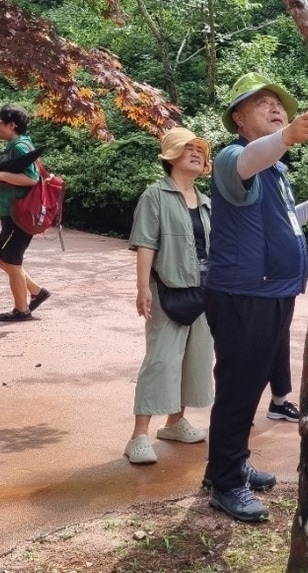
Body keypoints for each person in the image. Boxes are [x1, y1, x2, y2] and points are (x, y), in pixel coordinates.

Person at [202, 72, 308, 522]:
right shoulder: (232, 157)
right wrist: (289, 136)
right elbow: (249, 158)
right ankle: (226, 483)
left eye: (280, 104)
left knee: (249, 384)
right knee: (238, 387)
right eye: (263, 104)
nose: (276, 109)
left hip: (271, 292)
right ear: (239, 118)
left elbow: (281, 223)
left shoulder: (274, 170)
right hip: (243, 293)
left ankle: (227, 464)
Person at [124, 128, 215, 465]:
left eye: (200, 149)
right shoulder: (155, 195)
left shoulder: (206, 202)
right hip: (168, 290)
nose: (195, 153)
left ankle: (175, 423)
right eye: (187, 148)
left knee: (196, 358)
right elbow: (146, 242)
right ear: (170, 156)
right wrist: (142, 287)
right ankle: (138, 437)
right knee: (161, 361)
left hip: (204, 291)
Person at [0, 104, 51, 322]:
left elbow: (31, 179)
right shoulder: (14, 146)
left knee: (11, 263)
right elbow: (11, 173)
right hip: (12, 213)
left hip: (19, 215)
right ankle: (37, 292)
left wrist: (0, 174)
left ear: (11, 125)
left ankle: (22, 310)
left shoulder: (20, 147)